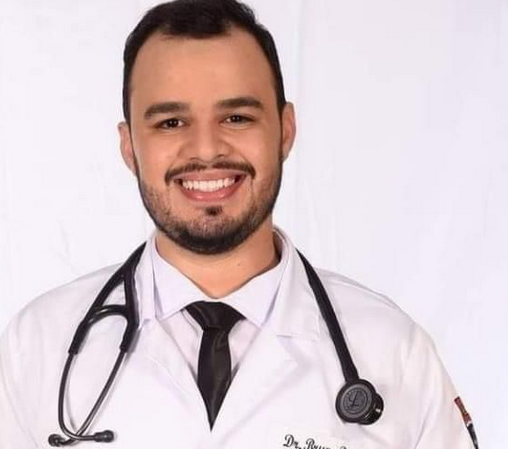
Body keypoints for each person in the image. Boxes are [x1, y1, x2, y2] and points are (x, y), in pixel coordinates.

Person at [0, 0, 478, 448]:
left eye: (236, 117)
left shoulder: (394, 352)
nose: (207, 150)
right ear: (129, 147)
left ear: (285, 130)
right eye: (170, 123)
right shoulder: (36, 348)